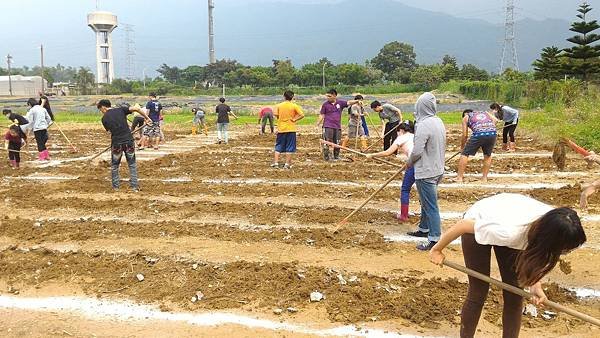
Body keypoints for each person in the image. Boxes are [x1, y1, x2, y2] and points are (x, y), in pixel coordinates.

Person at [429, 193, 587, 338]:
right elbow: (463, 225)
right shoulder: (509, 233)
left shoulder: (559, 223)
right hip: (480, 218)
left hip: (510, 218)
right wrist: (437, 249)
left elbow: (536, 253)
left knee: (515, 293)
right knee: (479, 289)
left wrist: (535, 284)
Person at [406, 92, 447, 251]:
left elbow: (417, 151)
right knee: (425, 202)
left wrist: (409, 163)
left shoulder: (423, 124)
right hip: (437, 169)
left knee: (431, 206)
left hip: (426, 171)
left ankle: (435, 239)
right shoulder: (438, 121)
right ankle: (424, 229)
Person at [367, 120, 415, 222]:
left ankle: (404, 215)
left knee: (405, 189)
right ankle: (424, 215)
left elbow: (388, 152)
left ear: (401, 130)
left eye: (398, 131)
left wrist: (372, 155)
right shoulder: (415, 136)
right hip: (423, 164)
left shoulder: (401, 137)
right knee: (422, 190)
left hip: (414, 165)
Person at [98, 99, 151, 192]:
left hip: (116, 143)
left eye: (100, 110)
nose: (101, 112)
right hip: (128, 141)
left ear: (103, 107)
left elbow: (110, 132)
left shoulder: (104, 118)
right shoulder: (121, 110)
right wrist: (147, 118)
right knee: (132, 164)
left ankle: (116, 187)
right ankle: (134, 187)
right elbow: (137, 109)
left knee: (115, 166)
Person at [455, 109, 499, 183]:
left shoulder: (466, 117)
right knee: (487, 154)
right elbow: (495, 120)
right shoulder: (484, 112)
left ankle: (459, 178)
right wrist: (489, 127)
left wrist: (462, 147)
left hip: (479, 134)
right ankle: (484, 178)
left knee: (465, 154)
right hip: (492, 133)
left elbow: (465, 135)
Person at [317, 89, 359, 161]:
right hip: (328, 126)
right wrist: (318, 123)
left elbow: (348, 102)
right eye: (327, 96)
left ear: (334, 96)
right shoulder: (325, 105)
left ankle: (336, 156)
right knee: (327, 141)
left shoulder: (340, 103)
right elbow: (322, 115)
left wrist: (357, 101)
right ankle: (326, 157)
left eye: (329, 96)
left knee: (337, 142)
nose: (328, 98)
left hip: (337, 126)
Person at [271, 90, 305, 169]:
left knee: (278, 146)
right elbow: (302, 115)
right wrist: (294, 119)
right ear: (292, 97)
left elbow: (276, 114)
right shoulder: (294, 106)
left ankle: (276, 163)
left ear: (284, 96)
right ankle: (287, 164)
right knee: (290, 147)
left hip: (281, 129)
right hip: (291, 129)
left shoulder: (279, 105)